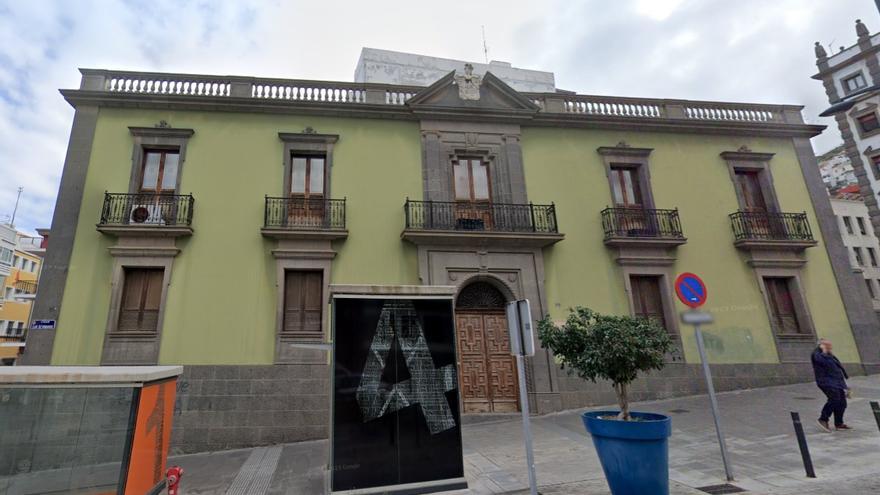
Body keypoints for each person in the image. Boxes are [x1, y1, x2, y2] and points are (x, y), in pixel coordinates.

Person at [811, 339, 852, 432]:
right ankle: (823, 419)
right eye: (828, 345)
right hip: (826, 382)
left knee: (842, 403)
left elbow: (837, 370)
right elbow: (824, 363)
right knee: (834, 399)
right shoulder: (817, 354)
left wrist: (845, 386)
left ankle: (839, 423)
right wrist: (825, 352)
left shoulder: (829, 355)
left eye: (830, 346)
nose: (830, 347)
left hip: (837, 382)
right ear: (822, 345)